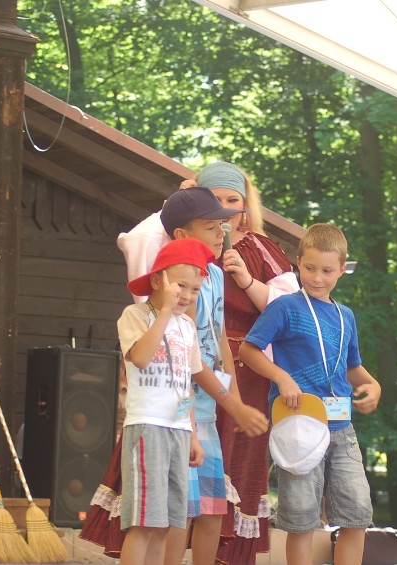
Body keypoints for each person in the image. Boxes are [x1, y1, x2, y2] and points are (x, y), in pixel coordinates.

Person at [239, 223, 381, 565]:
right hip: (299, 424)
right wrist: (281, 377)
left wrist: (372, 384)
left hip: (341, 427)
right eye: (310, 268)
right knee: (301, 519)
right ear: (297, 263)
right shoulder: (285, 307)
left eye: (328, 270)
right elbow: (248, 351)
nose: (318, 277)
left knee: (357, 514)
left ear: (342, 269)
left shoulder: (346, 316)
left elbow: (351, 367)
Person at [192, 161, 299, 565]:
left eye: (231, 200)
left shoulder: (260, 247)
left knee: (239, 461)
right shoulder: (185, 241)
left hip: (248, 371)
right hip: (196, 369)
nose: (223, 209)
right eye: (212, 199)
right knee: (195, 463)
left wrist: (246, 281)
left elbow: (289, 312)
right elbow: (134, 242)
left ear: (244, 206)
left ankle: (229, 556)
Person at [157, 187, 270, 565]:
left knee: (212, 506)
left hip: (206, 409)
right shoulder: (177, 284)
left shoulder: (217, 276)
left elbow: (220, 339)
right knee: (181, 511)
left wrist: (233, 399)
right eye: (210, 226)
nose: (221, 233)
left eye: (223, 225)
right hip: (178, 411)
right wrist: (234, 407)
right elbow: (190, 360)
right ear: (181, 235)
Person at [114, 237, 213, 565]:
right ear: (157, 280)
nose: (186, 295)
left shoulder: (187, 326)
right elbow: (141, 357)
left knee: (167, 524)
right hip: (147, 429)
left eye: (194, 289)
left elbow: (186, 387)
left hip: (178, 432)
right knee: (144, 522)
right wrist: (165, 313)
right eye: (180, 285)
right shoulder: (135, 315)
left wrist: (193, 433)